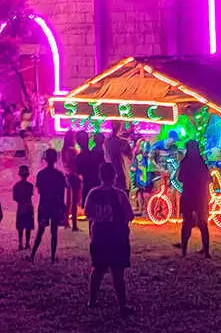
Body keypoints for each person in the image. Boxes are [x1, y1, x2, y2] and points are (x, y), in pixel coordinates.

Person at [85, 162, 134, 317]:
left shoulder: (93, 193)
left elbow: (88, 213)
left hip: (99, 236)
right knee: (118, 274)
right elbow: (129, 215)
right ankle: (122, 305)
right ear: (114, 176)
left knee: (97, 269)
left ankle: (91, 301)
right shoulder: (120, 195)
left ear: (100, 175)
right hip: (117, 237)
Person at [30, 148, 67, 263]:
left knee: (40, 231)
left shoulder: (41, 174)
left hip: (45, 204)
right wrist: (62, 205)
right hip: (55, 205)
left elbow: (40, 191)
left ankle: (33, 255)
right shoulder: (59, 174)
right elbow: (62, 192)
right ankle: (52, 257)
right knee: (54, 231)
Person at [176, 140, 211, 258]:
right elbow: (208, 178)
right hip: (200, 196)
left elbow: (180, 178)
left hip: (188, 195)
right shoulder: (201, 162)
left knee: (187, 223)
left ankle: (184, 252)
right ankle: (206, 252)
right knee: (203, 224)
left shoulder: (185, 162)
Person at [61, 130, 81, 231]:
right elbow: (73, 163)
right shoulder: (71, 150)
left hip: (68, 175)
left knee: (69, 200)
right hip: (73, 176)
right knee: (74, 201)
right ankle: (74, 224)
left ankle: (66, 222)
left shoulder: (65, 149)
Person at [105, 122, 132, 193]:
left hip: (111, 169)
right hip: (120, 170)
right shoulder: (122, 141)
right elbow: (129, 155)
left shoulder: (107, 141)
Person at [12, 164, 34, 250]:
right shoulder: (30, 186)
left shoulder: (16, 186)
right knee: (28, 227)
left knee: (20, 227)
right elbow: (30, 195)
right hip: (28, 207)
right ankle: (27, 243)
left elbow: (15, 197)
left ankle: (20, 243)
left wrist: (20, 200)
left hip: (21, 207)